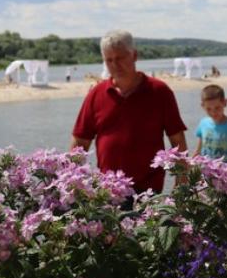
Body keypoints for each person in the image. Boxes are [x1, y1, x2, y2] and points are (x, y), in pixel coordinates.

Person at [71, 30, 188, 195]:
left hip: (149, 192)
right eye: (109, 60)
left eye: (120, 58)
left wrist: (181, 186)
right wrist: (75, 186)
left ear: (134, 55)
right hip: (108, 192)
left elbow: (178, 141)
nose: (115, 65)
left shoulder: (160, 92)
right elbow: (79, 143)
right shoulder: (96, 94)